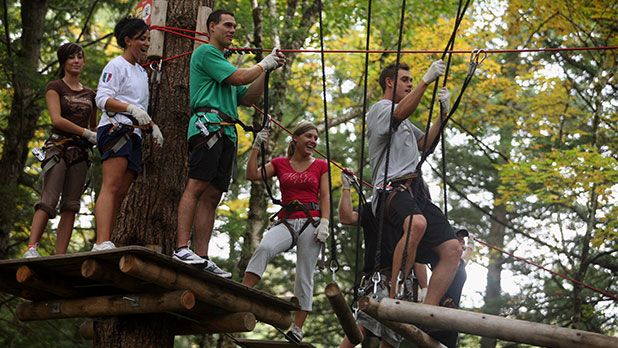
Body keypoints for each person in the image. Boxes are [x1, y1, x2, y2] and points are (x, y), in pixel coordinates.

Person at [172, 9, 284, 277]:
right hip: (207, 126)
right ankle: (180, 248)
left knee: (213, 195)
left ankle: (201, 255)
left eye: (234, 26)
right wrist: (262, 65)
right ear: (212, 27)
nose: (232, 30)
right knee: (197, 185)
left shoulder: (223, 64)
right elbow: (238, 78)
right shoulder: (206, 53)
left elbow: (247, 97)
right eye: (227, 25)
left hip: (226, 131)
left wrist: (265, 72)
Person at [367, 61, 462, 303]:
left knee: (453, 249)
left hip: (414, 192)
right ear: (389, 82)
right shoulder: (380, 110)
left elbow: (427, 145)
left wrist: (442, 116)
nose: (410, 84)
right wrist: (426, 81)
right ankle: (395, 294)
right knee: (416, 223)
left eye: (411, 80)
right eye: (405, 80)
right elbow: (399, 113)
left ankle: (427, 312)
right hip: (390, 189)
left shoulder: (406, 124)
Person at [242, 121, 330, 343]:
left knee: (305, 273)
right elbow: (252, 175)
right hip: (288, 219)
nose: (313, 141)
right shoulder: (280, 163)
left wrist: (325, 223)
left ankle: (297, 328)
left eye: (315, 137)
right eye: (308, 136)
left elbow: (326, 196)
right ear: (296, 138)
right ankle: (242, 293)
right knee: (265, 247)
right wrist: (256, 146)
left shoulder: (320, 165)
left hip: (312, 221)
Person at [92, 18, 163, 251]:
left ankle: (107, 239)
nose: (146, 43)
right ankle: (101, 241)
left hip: (134, 134)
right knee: (111, 186)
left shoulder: (141, 72)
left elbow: (140, 106)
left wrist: (152, 126)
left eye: (148, 39)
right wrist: (129, 109)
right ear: (127, 40)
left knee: (121, 193)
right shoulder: (116, 66)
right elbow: (101, 99)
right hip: (116, 129)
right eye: (142, 39)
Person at [23, 42, 97, 258]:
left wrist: (95, 136)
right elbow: (57, 120)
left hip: (80, 153)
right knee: (48, 199)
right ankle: (31, 248)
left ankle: (60, 255)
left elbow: (93, 126)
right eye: (71, 57)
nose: (76, 61)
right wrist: (86, 133)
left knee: (71, 205)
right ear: (63, 61)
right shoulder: (55, 87)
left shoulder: (90, 94)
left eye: (80, 57)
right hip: (58, 148)